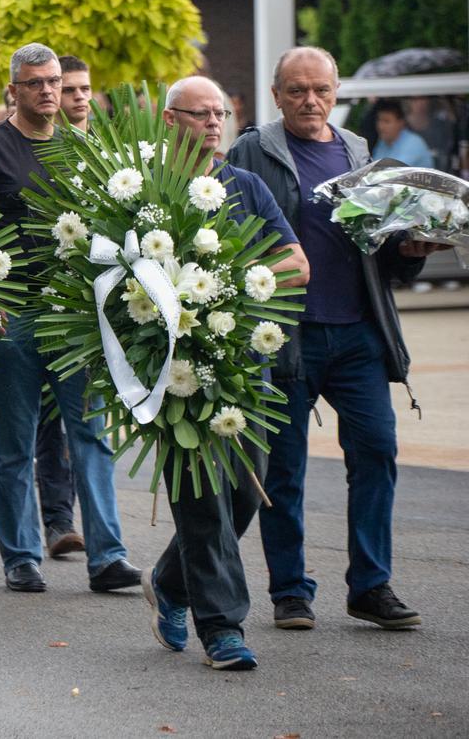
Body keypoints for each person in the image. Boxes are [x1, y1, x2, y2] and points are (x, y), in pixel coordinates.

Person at [227, 46, 433, 632]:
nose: (310, 101)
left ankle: (371, 586)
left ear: (336, 92)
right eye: (296, 90)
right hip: (283, 337)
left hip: (358, 334)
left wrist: (410, 251)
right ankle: (290, 591)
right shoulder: (252, 151)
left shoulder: (358, 153)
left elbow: (378, 248)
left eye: (320, 89)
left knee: (376, 452)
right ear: (276, 95)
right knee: (284, 468)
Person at [144, 76, 310, 671]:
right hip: (172, 372)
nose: (215, 124)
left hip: (244, 367)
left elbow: (295, 264)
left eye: (222, 113)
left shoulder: (246, 185)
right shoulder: (143, 193)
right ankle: (223, 628)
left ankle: (170, 580)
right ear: (170, 121)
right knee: (202, 499)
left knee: (246, 490)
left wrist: (231, 286)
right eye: (201, 114)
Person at [0, 42, 138, 596]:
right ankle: (21, 556)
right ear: (14, 91)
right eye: (37, 83)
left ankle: (108, 556)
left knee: (91, 436)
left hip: (74, 315)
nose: (49, 91)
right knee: (15, 445)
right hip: (13, 314)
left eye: (54, 82)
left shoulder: (83, 148)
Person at [34, 53, 95, 559]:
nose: (75, 97)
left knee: (86, 421)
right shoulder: (23, 144)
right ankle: (58, 520)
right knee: (46, 420)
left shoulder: (97, 152)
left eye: (81, 89)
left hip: (85, 308)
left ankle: (103, 539)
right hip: (35, 306)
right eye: (67, 88)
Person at [371, 99, 435, 168]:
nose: (381, 126)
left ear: (401, 122)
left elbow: (393, 172)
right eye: (379, 120)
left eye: (387, 121)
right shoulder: (383, 142)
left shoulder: (413, 143)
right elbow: (374, 169)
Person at [57, 55, 93, 133]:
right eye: (68, 90)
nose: (80, 96)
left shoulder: (113, 141)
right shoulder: (37, 143)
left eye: (85, 89)